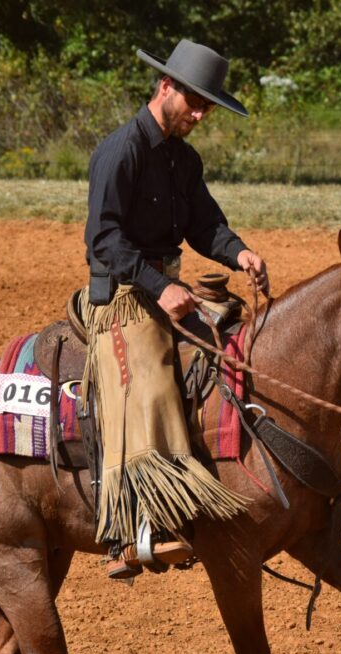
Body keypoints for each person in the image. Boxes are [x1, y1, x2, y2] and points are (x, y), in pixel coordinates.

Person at [82, 39, 270, 579]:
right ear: (165, 86)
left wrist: (240, 253)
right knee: (151, 375)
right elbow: (102, 239)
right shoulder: (121, 151)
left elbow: (204, 225)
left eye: (207, 107)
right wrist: (156, 286)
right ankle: (136, 525)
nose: (199, 113)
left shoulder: (184, 160)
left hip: (168, 289)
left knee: (232, 350)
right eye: (194, 101)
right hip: (120, 294)